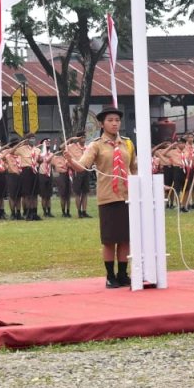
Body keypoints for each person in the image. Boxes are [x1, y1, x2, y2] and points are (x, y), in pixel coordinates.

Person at [64, 105, 137, 288]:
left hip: (127, 195)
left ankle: (122, 274)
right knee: (109, 239)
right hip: (108, 196)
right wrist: (70, 160)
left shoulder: (127, 143)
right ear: (102, 124)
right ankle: (110, 275)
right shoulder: (96, 145)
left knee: (125, 238)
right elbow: (83, 166)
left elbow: (134, 168)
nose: (114, 124)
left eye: (117, 120)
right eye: (110, 120)